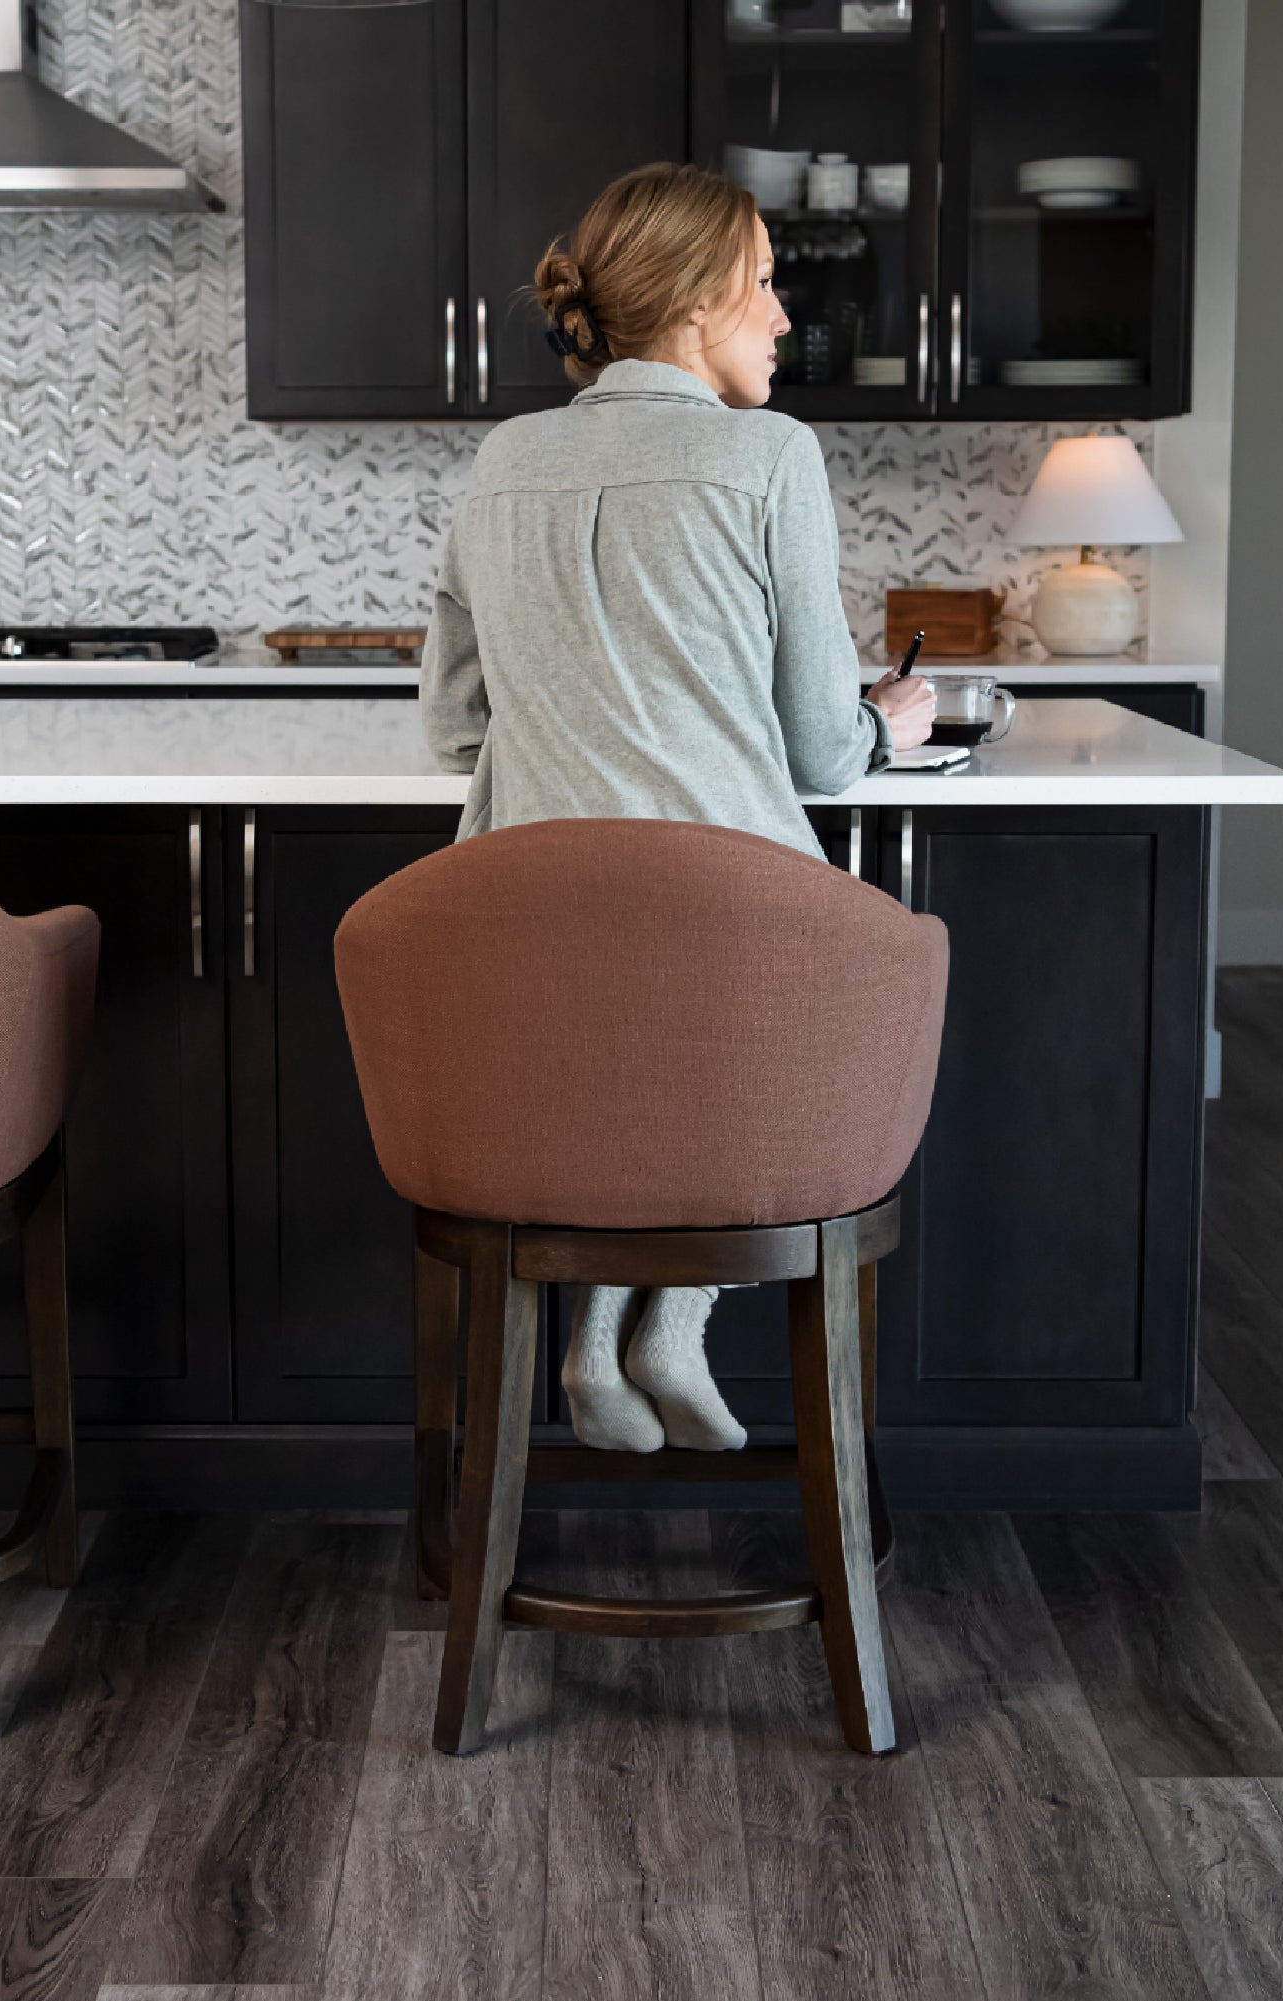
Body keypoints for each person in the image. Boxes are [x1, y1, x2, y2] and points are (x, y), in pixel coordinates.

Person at [420, 161, 936, 1455]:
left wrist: (578, 725)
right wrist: (894, 719)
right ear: (701, 297)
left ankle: (600, 1340)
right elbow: (822, 747)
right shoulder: (766, 455)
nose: (778, 314)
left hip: (527, 925)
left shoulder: (503, 457)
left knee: (611, 1080)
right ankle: (675, 1326)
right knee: (721, 1061)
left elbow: (454, 726)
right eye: (764, 283)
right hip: (733, 930)